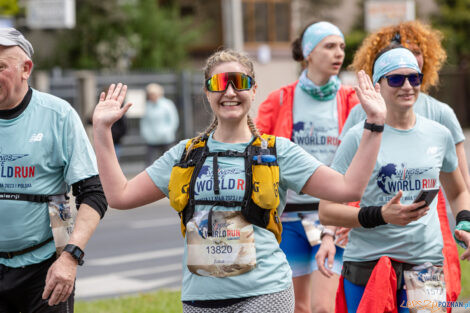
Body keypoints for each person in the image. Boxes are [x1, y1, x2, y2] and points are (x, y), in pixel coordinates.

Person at [92, 49, 386, 313]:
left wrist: (374, 125)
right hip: (200, 298)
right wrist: (102, 131)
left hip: (265, 292)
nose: (230, 92)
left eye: (240, 83)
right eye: (219, 84)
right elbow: (120, 196)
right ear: (207, 92)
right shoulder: (184, 154)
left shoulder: (277, 152)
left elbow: (348, 188)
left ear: (254, 89)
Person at [318, 47, 470, 313]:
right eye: (396, 79)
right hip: (368, 266)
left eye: (414, 77)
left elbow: (457, 192)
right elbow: (327, 210)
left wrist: (466, 222)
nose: (408, 86)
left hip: (425, 265)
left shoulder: (439, 134)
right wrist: (381, 215)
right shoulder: (358, 136)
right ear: (378, 86)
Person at [0, 28, 107, 312]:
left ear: (26, 69)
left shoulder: (58, 116)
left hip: (44, 271)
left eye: (0, 66)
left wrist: (70, 258)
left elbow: (94, 195)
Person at [256, 21, 358, 313]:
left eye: (341, 47)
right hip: (287, 218)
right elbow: (257, 149)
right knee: (297, 308)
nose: (338, 53)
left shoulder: (351, 101)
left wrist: (352, 209)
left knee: (324, 307)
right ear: (308, 53)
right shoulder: (279, 100)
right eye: (329, 46)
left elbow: (363, 162)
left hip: (332, 215)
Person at [140, 83, 179, 165]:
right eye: (150, 94)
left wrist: (167, 132)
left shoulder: (167, 104)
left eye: (153, 94)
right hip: (152, 140)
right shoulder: (147, 106)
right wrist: (147, 135)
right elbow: (144, 122)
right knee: (149, 163)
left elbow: (173, 120)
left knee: (170, 162)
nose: (152, 96)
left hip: (166, 139)